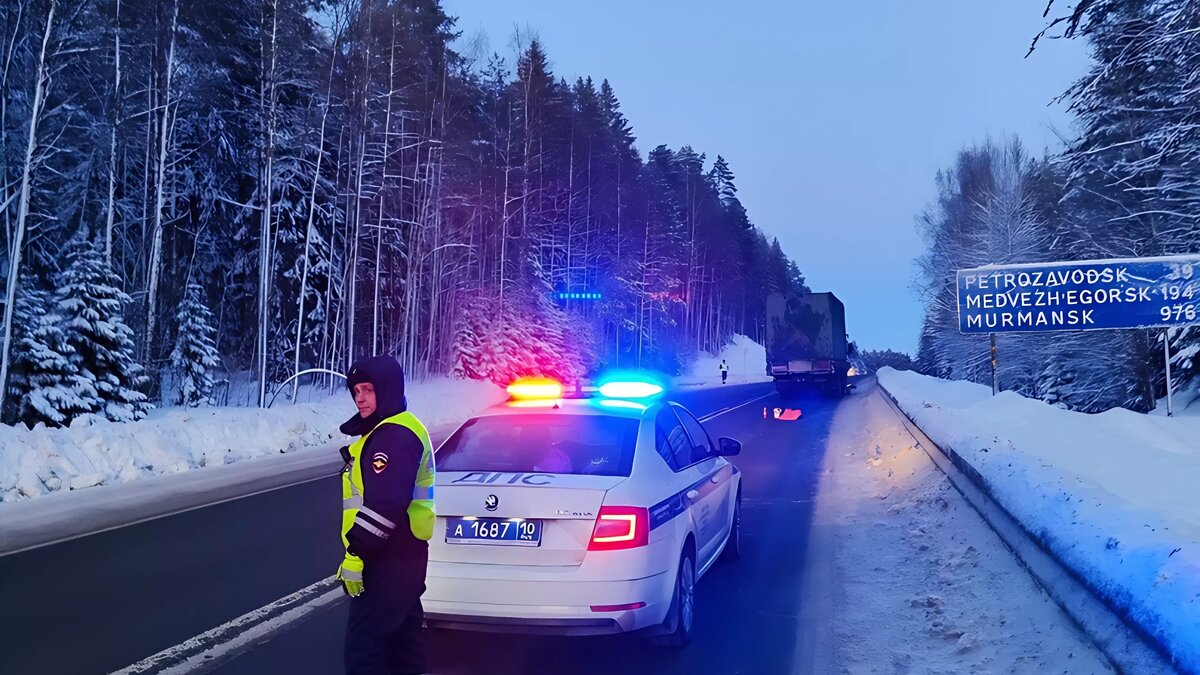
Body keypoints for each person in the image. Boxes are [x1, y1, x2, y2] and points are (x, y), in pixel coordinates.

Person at [336, 355, 436, 675]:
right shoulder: (394, 428)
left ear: (388, 389)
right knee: (404, 649)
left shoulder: (393, 435)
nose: (360, 398)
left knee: (366, 651)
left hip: (387, 560)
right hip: (404, 556)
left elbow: (386, 504)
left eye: (368, 389)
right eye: (355, 391)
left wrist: (356, 554)